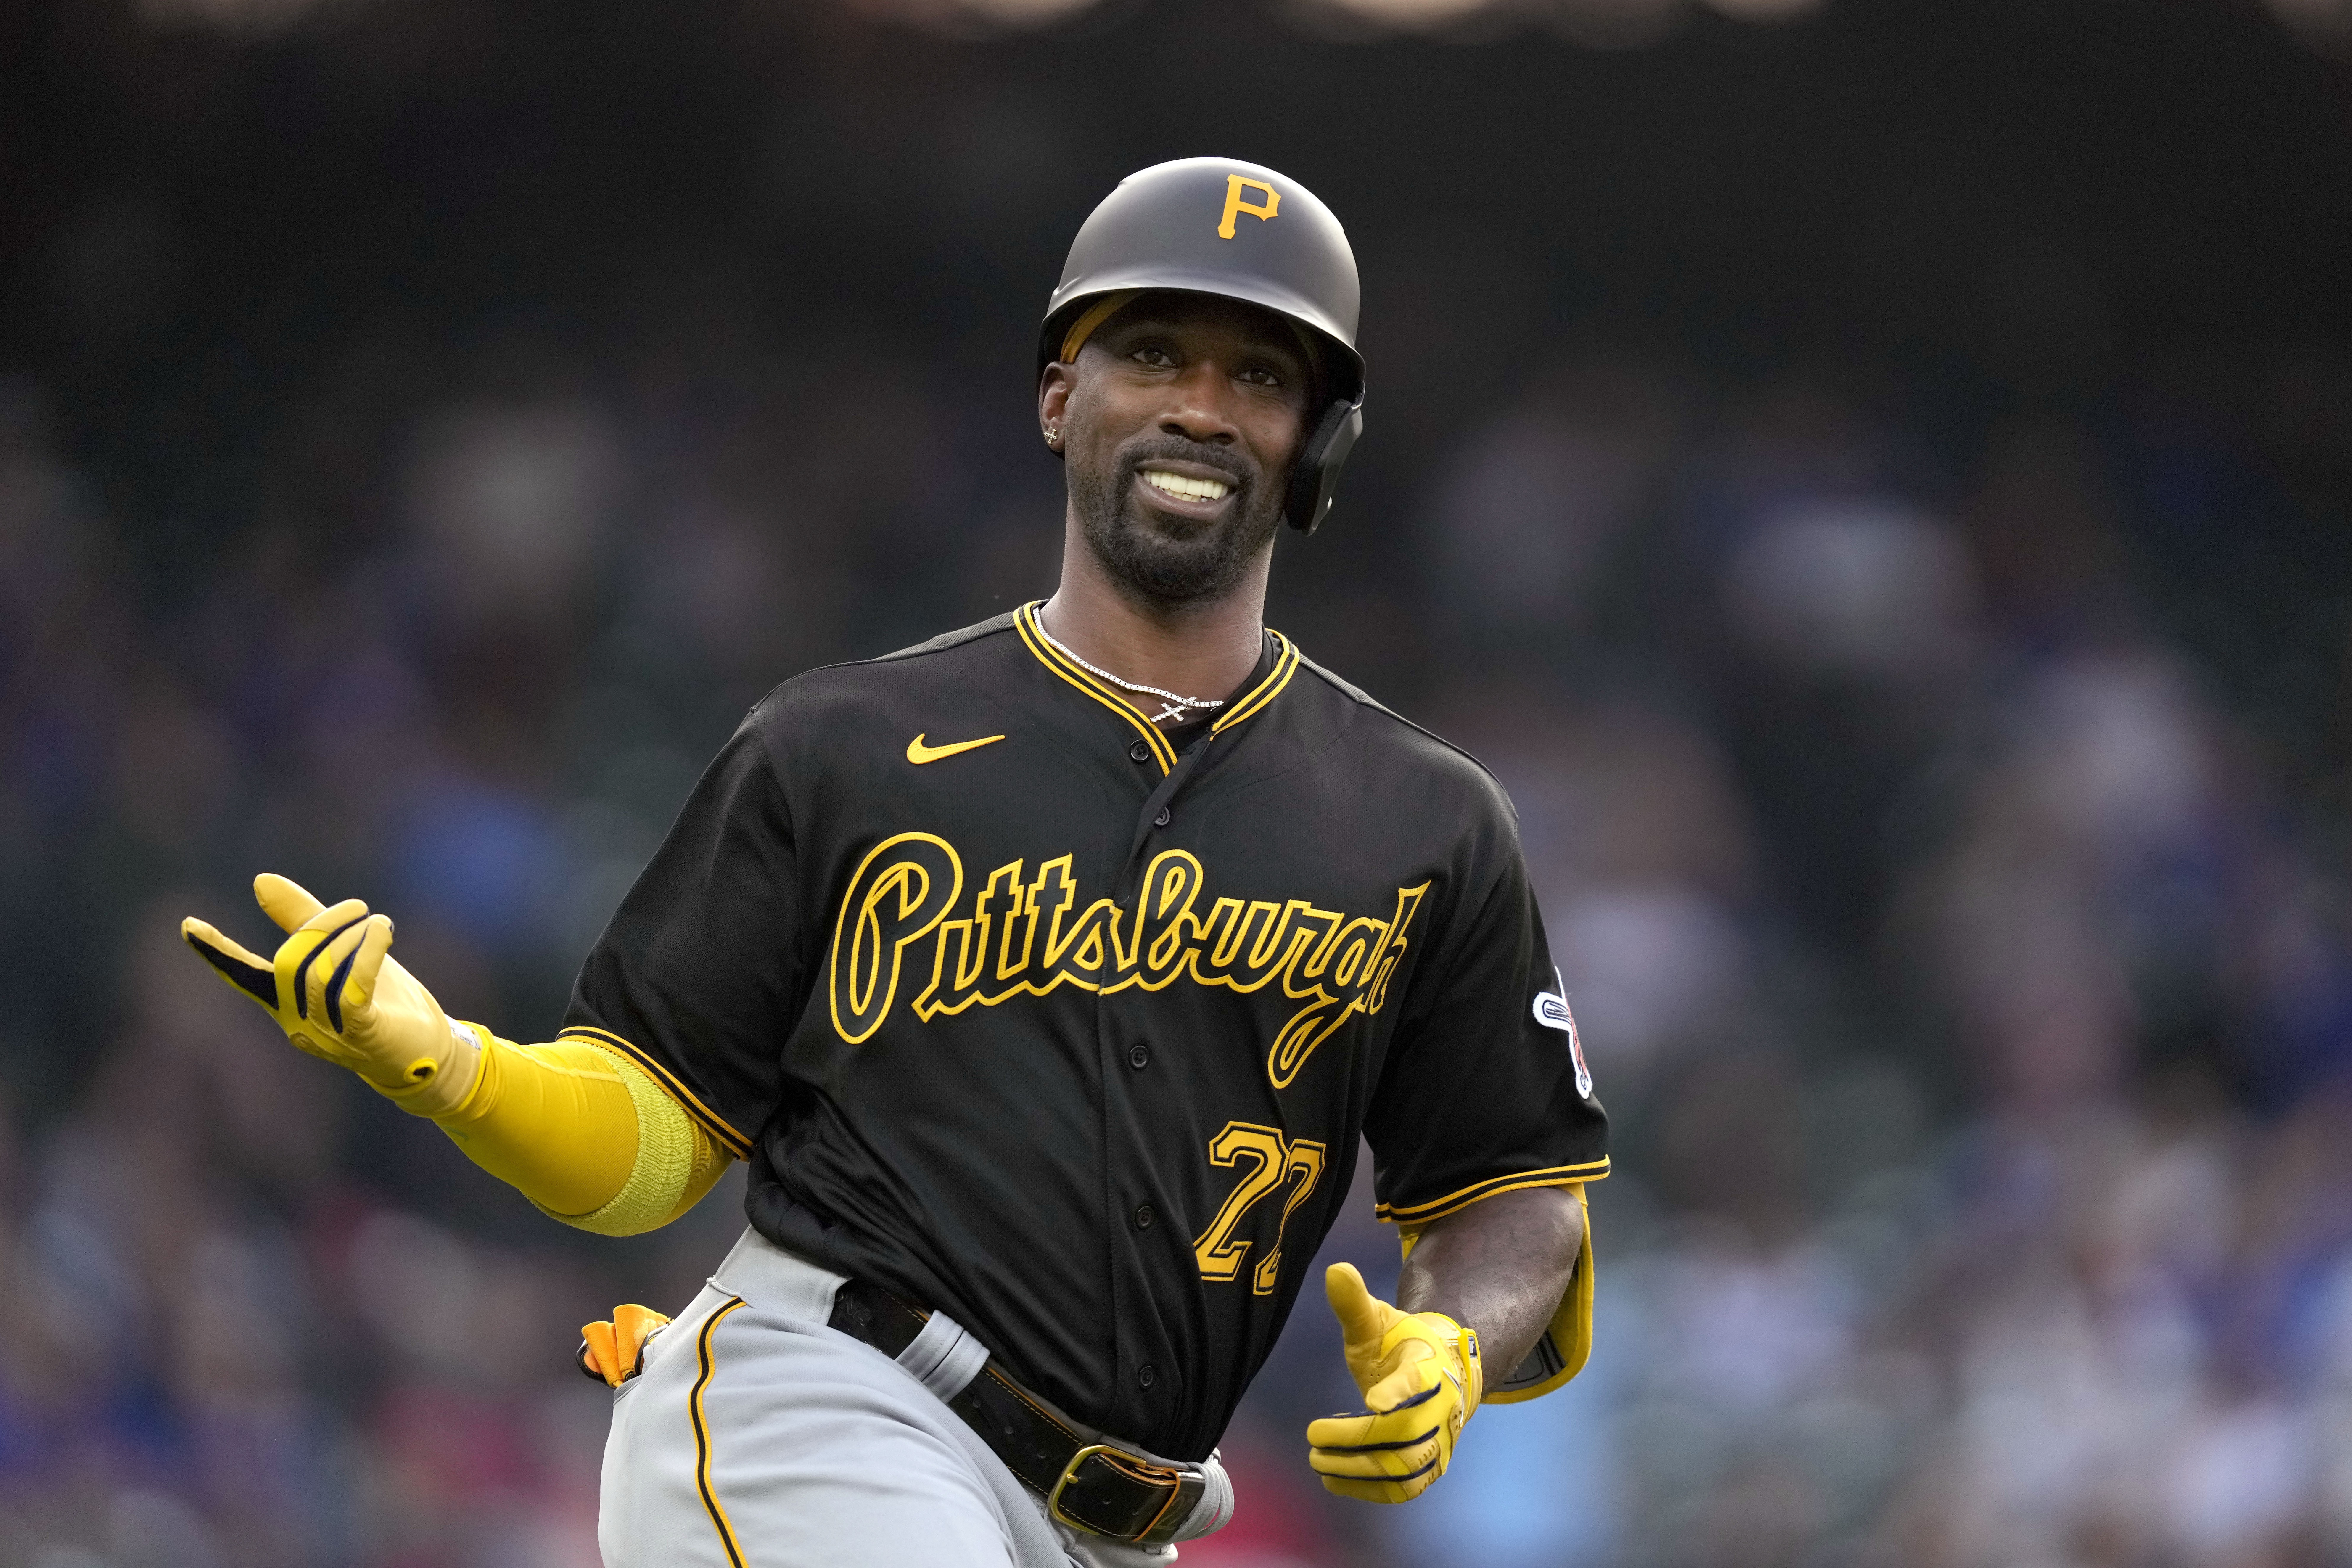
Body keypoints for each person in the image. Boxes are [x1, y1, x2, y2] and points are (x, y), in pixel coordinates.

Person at [182, 157, 1608, 1568]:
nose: (1198, 403)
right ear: (1059, 395)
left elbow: (1511, 1189)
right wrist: (450, 1063)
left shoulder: (1429, 821)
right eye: (1152, 351)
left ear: (1320, 441)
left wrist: (1453, 1343)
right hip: (831, 1407)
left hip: (1126, 1523)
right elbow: (652, 1151)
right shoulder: (844, 744)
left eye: (1260, 375)